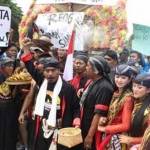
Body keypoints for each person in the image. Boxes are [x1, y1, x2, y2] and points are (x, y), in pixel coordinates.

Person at [21, 47, 81, 150]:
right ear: (43, 72)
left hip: (60, 128)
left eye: (53, 71)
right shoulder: (42, 81)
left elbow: (76, 108)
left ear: (58, 71)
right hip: (42, 125)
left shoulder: (67, 88)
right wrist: (26, 48)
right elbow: (30, 66)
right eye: (47, 71)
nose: (50, 74)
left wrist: (76, 121)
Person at [97, 64, 137, 150]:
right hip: (110, 134)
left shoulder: (128, 98)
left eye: (123, 78)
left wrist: (104, 129)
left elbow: (126, 126)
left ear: (129, 79)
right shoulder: (116, 93)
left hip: (117, 137)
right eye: (117, 76)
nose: (119, 80)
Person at [80, 56, 114, 150]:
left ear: (96, 71)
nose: (85, 68)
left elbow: (98, 114)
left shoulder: (104, 88)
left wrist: (90, 136)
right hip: (85, 124)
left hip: (93, 130)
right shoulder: (92, 81)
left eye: (87, 66)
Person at [119, 73, 150, 149]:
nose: (135, 89)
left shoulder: (148, 110)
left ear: (148, 90)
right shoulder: (134, 100)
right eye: (134, 86)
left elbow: (148, 138)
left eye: (139, 87)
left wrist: (132, 140)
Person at [0, 57, 18, 150]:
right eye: (8, 66)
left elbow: (13, 95)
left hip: (10, 108)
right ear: (2, 67)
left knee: (9, 132)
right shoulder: (1, 77)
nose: (11, 67)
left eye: (12, 65)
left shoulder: (12, 78)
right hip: (2, 109)